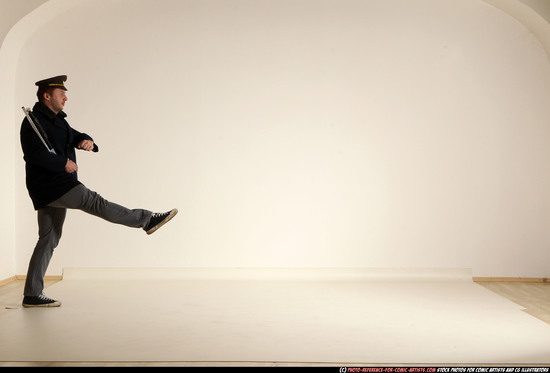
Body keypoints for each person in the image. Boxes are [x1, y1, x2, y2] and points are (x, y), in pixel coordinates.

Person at [19, 75, 177, 308]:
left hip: (57, 185)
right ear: (46, 95)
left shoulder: (59, 121)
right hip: (52, 185)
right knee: (96, 202)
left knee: (49, 238)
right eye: (61, 94)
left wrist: (87, 141)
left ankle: (32, 294)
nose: (65, 98)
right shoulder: (32, 122)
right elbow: (34, 155)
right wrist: (62, 164)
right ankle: (146, 220)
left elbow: (75, 135)